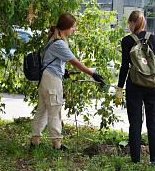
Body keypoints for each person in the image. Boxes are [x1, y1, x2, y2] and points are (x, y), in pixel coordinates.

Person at [31, 12, 105, 151]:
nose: (74, 29)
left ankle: (35, 141)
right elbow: (75, 62)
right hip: (51, 80)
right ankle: (57, 145)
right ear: (66, 27)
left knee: (42, 110)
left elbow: (51, 61)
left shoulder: (52, 40)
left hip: (45, 78)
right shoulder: (59, 43)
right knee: (54, 110)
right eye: (72, 27)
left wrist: (64, 72)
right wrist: (93, 74)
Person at [116, 11, 155, 166]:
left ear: (132, 23)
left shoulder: (127, 41)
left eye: (129, 23)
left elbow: (124, 67)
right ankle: (154, 160)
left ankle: (136, 161)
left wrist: (119, 88)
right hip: (153, 84)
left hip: (135, 85)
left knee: (135, 123)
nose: (129, 26)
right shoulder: (153, 39)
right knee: (153, 122)